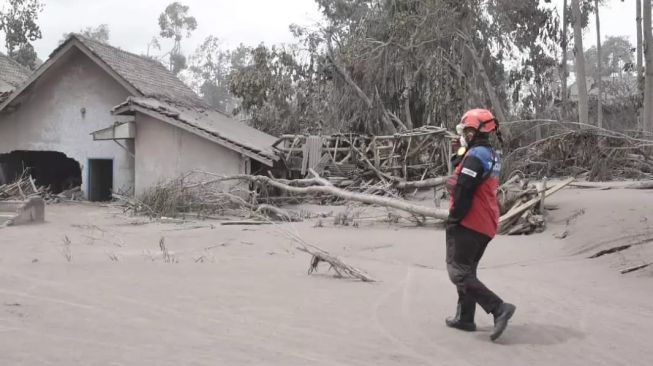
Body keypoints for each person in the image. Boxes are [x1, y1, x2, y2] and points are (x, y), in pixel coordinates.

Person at [444, 108, 516, 342]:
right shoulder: (489, 154)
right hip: (486, 223)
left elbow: (464, 186)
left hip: (470, 222)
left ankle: (499, 308)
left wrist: (454, 218)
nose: (463, 134)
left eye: (466, 131)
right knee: (468, 270)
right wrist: (459, 153)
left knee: (458, 273)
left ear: (474, 132)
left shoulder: (475, 157)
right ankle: (465, 318)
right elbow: (464, 168)